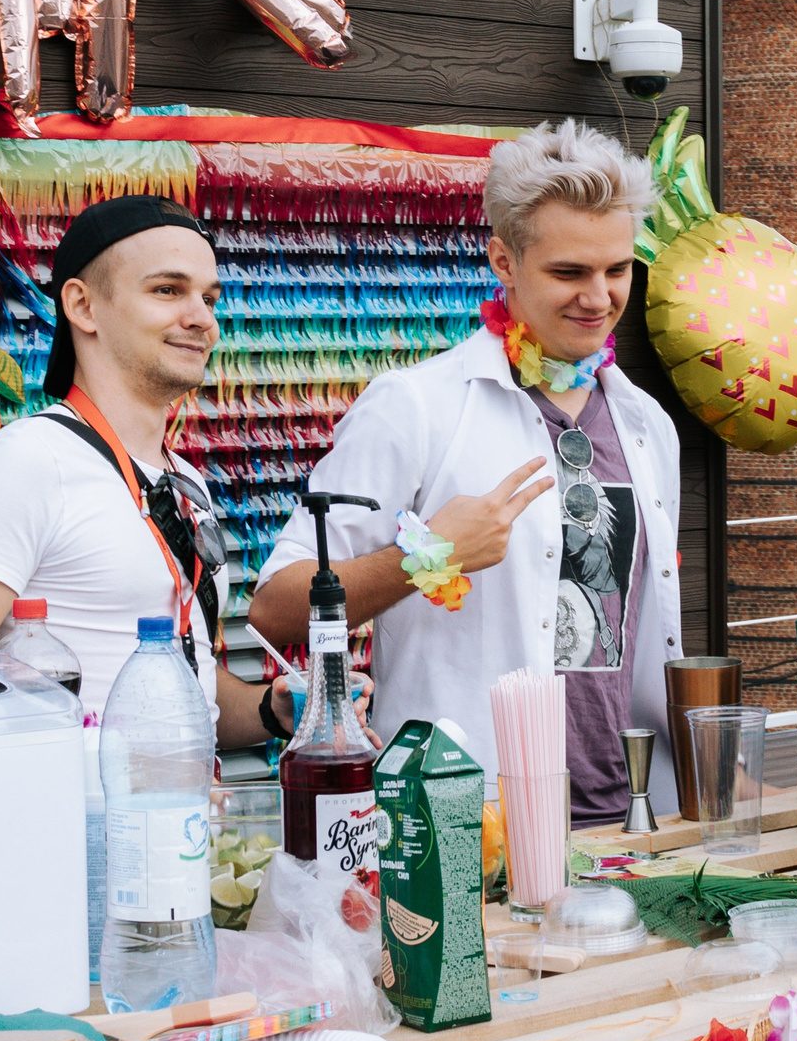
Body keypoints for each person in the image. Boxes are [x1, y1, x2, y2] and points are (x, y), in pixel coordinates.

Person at [248, 119, 682, 821]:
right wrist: (430, 557)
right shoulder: (416, 407)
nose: (599, 297)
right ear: (503, 262)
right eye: (569, 271)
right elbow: (275, 606)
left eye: (618, 269)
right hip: (464, 830)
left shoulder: (647, 426)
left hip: (629, 822)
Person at [0, 194, 291, 747]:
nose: (201, 317)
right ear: (82, 307)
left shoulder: (186, 482)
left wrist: (272, 710)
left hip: (185, 824)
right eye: (167, 290)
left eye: (209, 297)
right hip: (69, 828)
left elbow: (180, 683)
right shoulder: (28, 462)